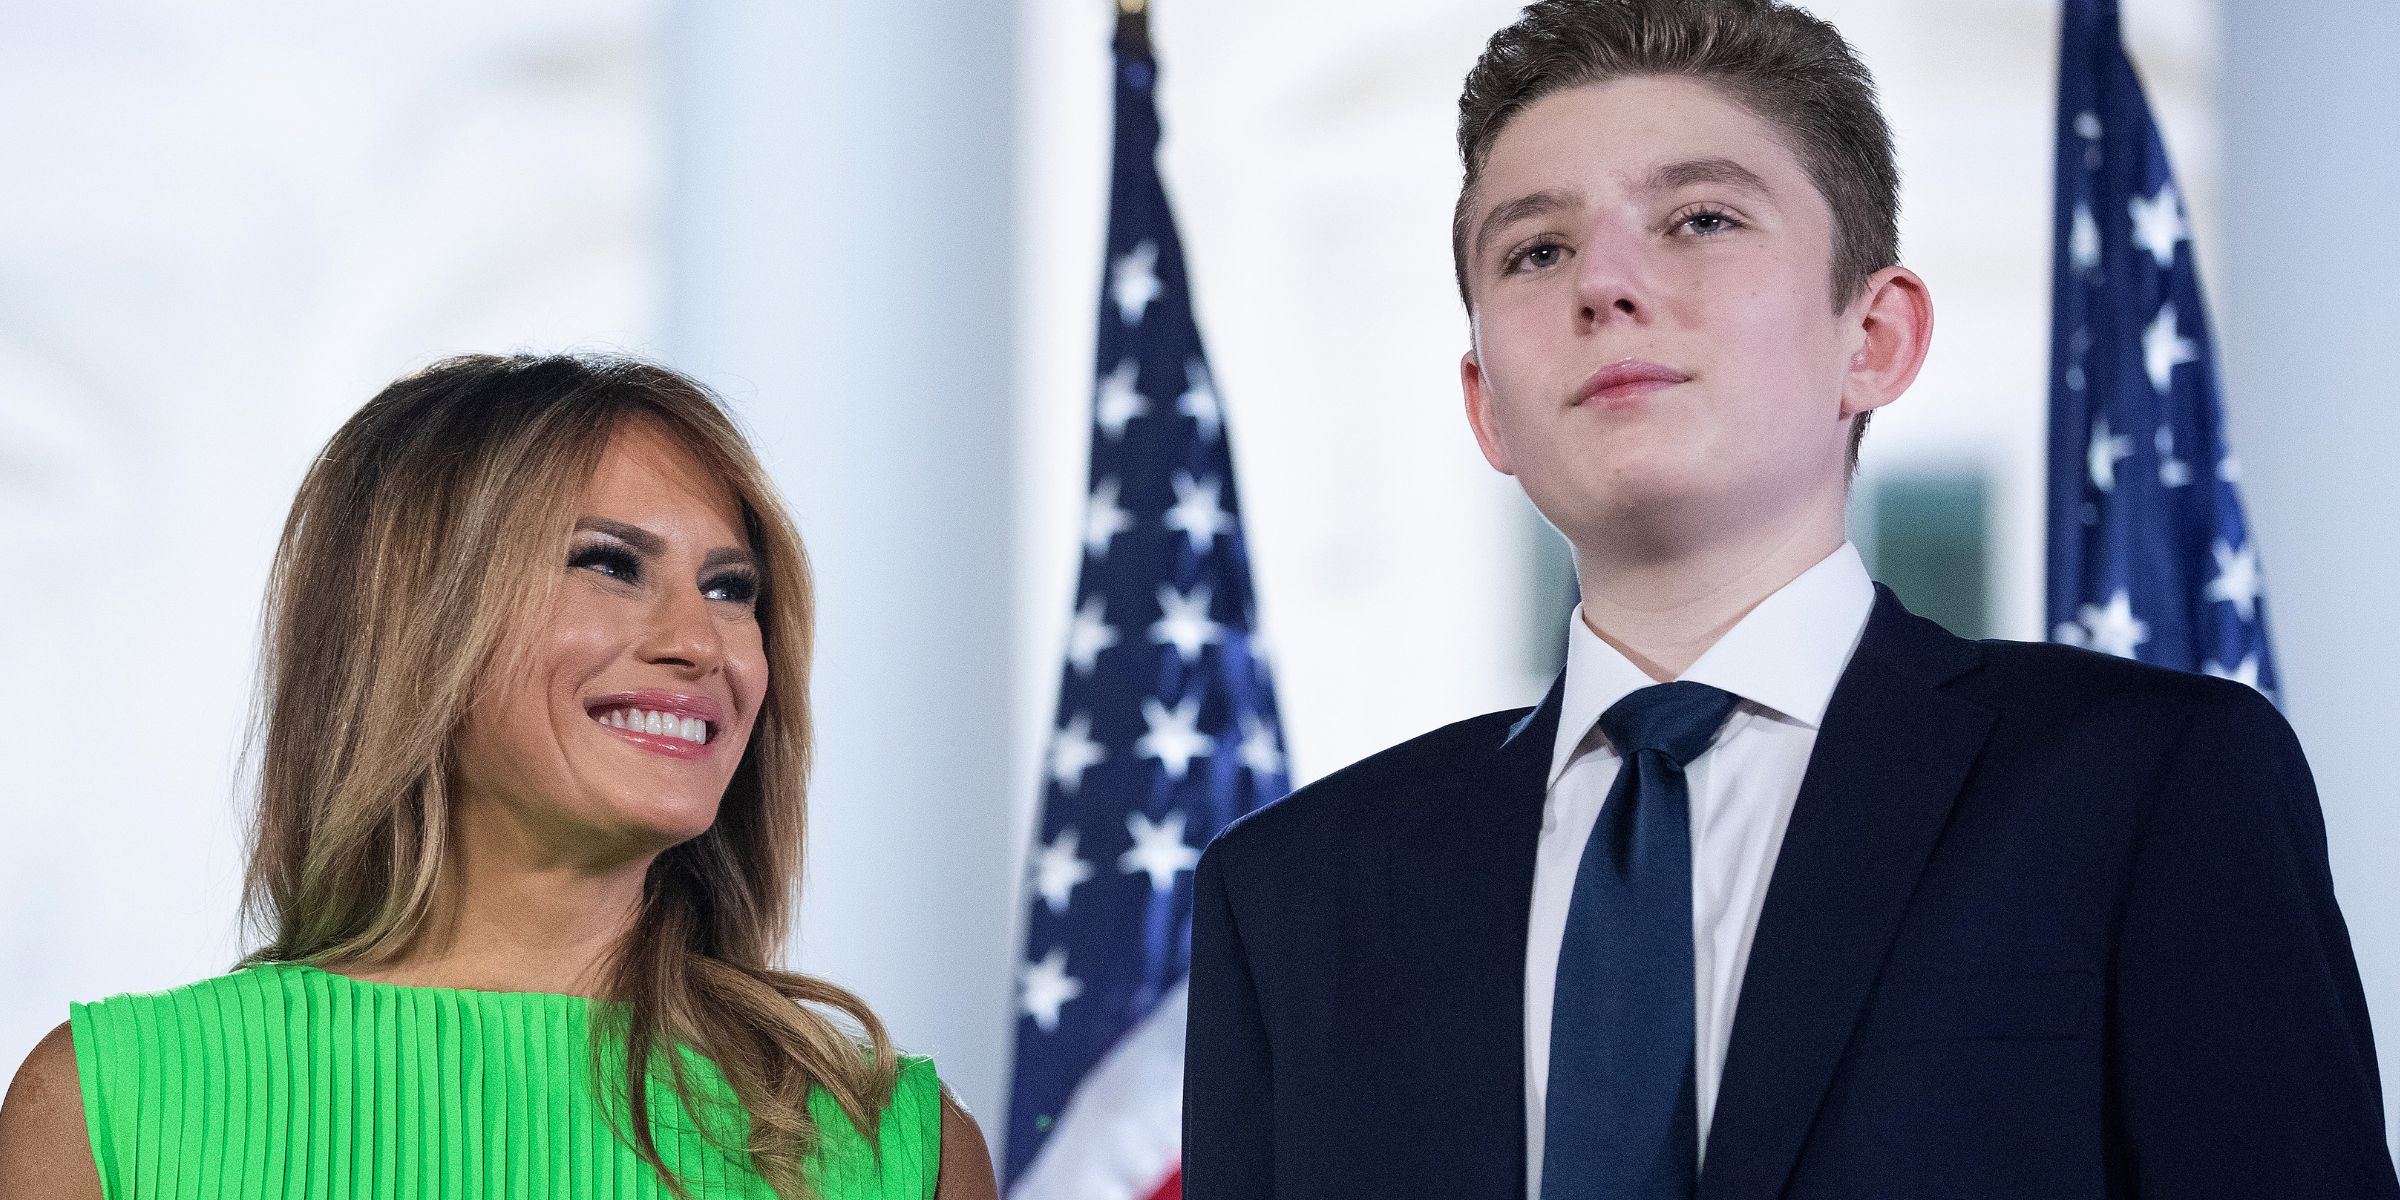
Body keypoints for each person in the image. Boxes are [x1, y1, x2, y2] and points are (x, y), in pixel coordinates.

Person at [1183, 2, 2399, 1197]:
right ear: (1487, 404)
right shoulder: (1293, 896)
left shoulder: (2149, 783)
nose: (1603, 283)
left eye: (1701, 218)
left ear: (1874, 336)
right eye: (1536, 249)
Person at [0, 354, 1001, 1200]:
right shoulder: (108, 1109)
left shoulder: (895, 1146)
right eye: (610, 564)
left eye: (731, 588)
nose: (702, 643)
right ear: (414, 620)